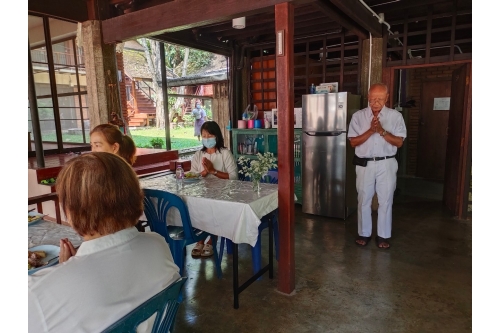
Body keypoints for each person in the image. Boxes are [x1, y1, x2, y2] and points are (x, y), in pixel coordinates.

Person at [28, 152, 181, 333]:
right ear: (136, 197)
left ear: (70, 212)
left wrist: (63, 272)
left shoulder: (37, 292)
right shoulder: (157, 244)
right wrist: (66, 270)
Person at [347, 83, 407, 249]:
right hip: (365, 164)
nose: (375, 103)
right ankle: (364, 233)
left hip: (386, 163)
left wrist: (381, 131)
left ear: (387, 98)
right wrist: (371, 131)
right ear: (368, 97)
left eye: (380, 99)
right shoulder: (358, 116)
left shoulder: (395, 117)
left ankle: (383, 235)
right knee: (363, 200)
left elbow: (399, 142)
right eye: (372, 99)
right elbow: (353, 142)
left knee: (385, 200)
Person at [189, 121, 238, 258]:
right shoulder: (198, 155)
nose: (206, 138)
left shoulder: (224, 153)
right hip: (203, 191)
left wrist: (213, 171)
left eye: (209, 135)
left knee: (215, 207)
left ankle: (212, 239)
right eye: (204, 135)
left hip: (223, 193)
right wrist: (202, 174)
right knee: (197, 207)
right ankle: (200, 239)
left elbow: (234, 177)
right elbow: (191, 175)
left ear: (216, 136)